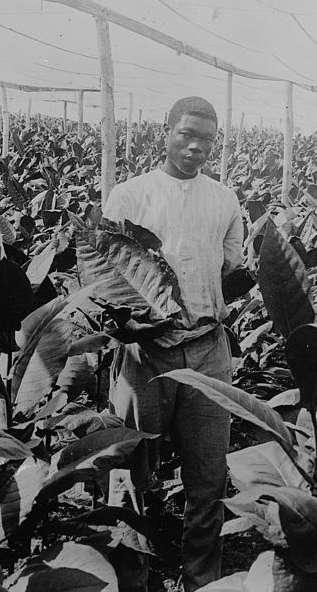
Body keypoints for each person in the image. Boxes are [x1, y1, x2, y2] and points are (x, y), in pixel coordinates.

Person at [103, 96, 243, 592]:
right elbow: (105, 277)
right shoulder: (130, 196)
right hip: (145, 353)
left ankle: (200, 580)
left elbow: (231, 269)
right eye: (186, 133)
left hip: (207, 347)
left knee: (208, 478)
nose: (195, 146)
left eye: (205, 138)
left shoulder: (225, 200)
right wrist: (132, 325)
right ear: (165, 132)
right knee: (128, 472)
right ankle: (130, 581)